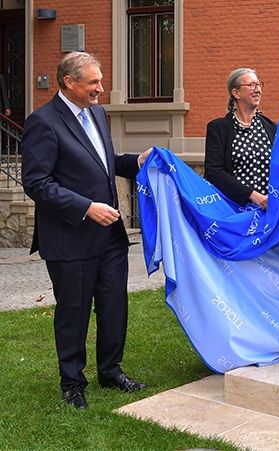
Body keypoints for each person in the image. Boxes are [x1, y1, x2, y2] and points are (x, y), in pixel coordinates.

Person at [21, 51, 152, 410]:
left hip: (109, 239)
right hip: (69, 239)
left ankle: (111, 371)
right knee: (73, 313)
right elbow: (36, 182)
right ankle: (72, 384)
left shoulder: (97, 113)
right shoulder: (43, 122)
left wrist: (135, 162)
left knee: (114, 307)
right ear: (69, 83)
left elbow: (103, 164)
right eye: (93, 82)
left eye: (100, 80)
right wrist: (86, 208)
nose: (100, 88)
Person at [204, 68, 276, 209]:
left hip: (270, 209)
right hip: (234, 210)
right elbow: (214, 173)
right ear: (236, 93)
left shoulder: (272, 127)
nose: (257, 90)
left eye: (259, 84)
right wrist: (253, 195)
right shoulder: (218, 128)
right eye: (251, 85)